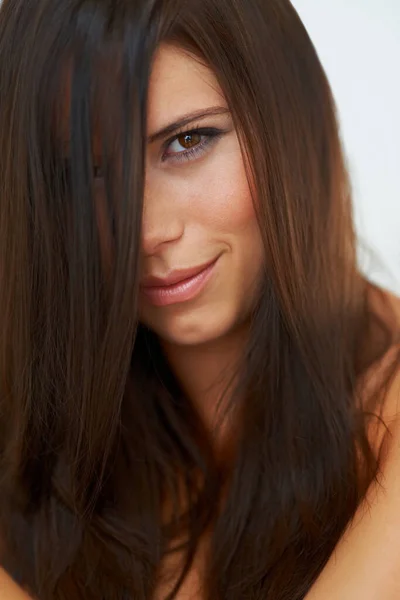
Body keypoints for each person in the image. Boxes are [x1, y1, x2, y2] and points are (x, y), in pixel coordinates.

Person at [0, 0, 400, 598]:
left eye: (188, 141)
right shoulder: (42, 417)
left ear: (294, 123)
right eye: (88, 172)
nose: (147, 230)